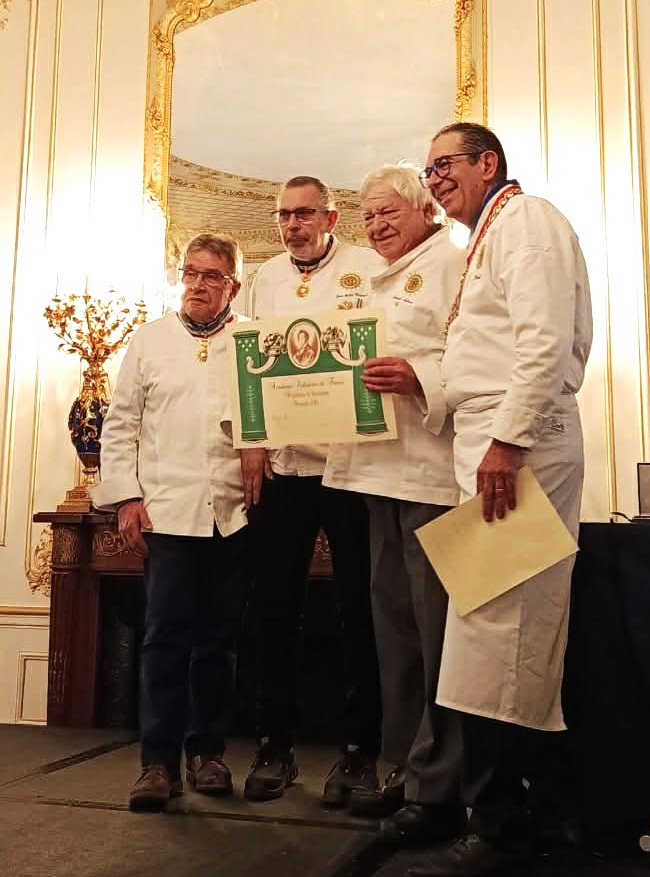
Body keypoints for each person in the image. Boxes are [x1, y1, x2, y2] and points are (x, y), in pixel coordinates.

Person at [407, 122, 592, 876]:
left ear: (489, 163)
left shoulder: (528, 220)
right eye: (428, 171)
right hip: (487, 446)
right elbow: (478, 355)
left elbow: (542, 340)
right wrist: (417, 378)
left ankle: (506, 827)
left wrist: (509, 441)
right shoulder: (483, 237)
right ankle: (514, 816)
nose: (435, 179)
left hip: (519, 449)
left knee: (505, 636)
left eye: (445, 164)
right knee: (484, 636)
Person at [323, 164, 467, 844]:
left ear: (423, 209)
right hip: (376, 476)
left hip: (434, 477)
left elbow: (473, 359)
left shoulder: (452, 263)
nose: (376, 224)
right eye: (368, 215)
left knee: (440, 639)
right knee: (396, 637)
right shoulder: (367, 279)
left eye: (387, 211)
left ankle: (440, 787)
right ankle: (404, 772)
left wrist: (420, 375)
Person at [91, 233, 253, 812]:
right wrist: (126, 499)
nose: (199, 285)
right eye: (191, 274)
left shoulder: (252, 340)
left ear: (233, 283)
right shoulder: (150, 341)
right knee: (163, 639)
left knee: (219, 641)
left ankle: (206, 753)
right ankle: (156, 762)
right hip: (168, 514)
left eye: (212, 276)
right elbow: (121, 425)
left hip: (234, 513)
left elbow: (271, 416)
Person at [241, 175, 383, 807]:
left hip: (353, 466)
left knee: (361, 608)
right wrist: (249, 439)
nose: (293, 224)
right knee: (272, 607)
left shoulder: (367, 267)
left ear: (330, 217)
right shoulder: (264, 278)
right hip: (285, 467)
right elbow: (244, 363)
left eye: (305, 214)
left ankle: (360, 752)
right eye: (284, 215)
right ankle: (275, 743)